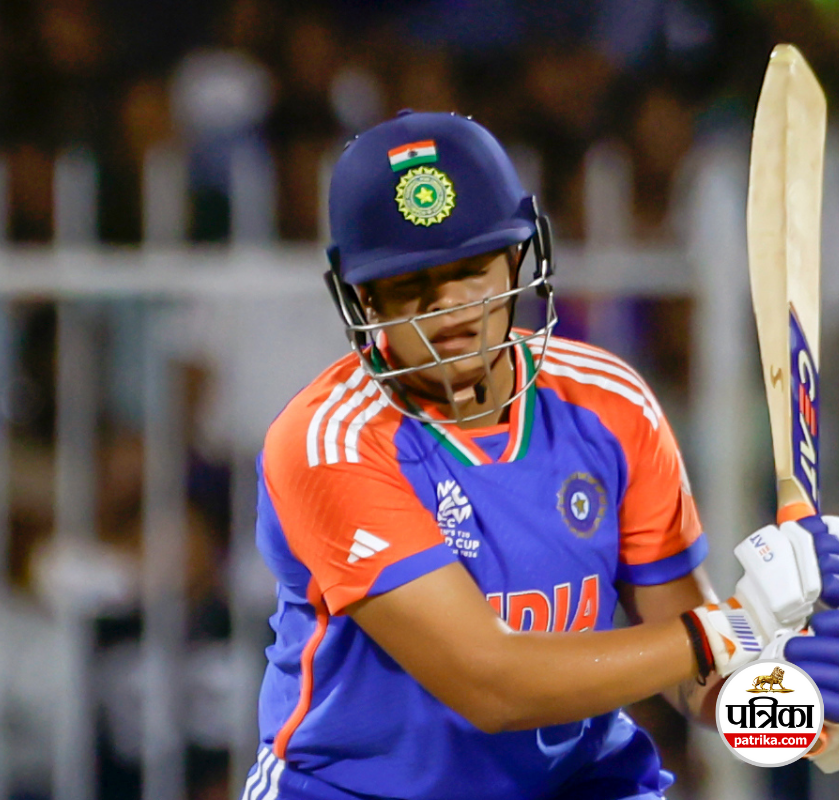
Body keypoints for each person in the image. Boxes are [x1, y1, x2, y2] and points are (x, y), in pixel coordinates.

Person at [240, 111, 839, 800]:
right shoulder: (329, 442)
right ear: (362, 298)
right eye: (412, 284)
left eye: (472, 270)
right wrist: (736, 625)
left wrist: (792, 701)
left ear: (520, 257)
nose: (451, 307)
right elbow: (490, 684)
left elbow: (693, 677)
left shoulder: (609, 403)